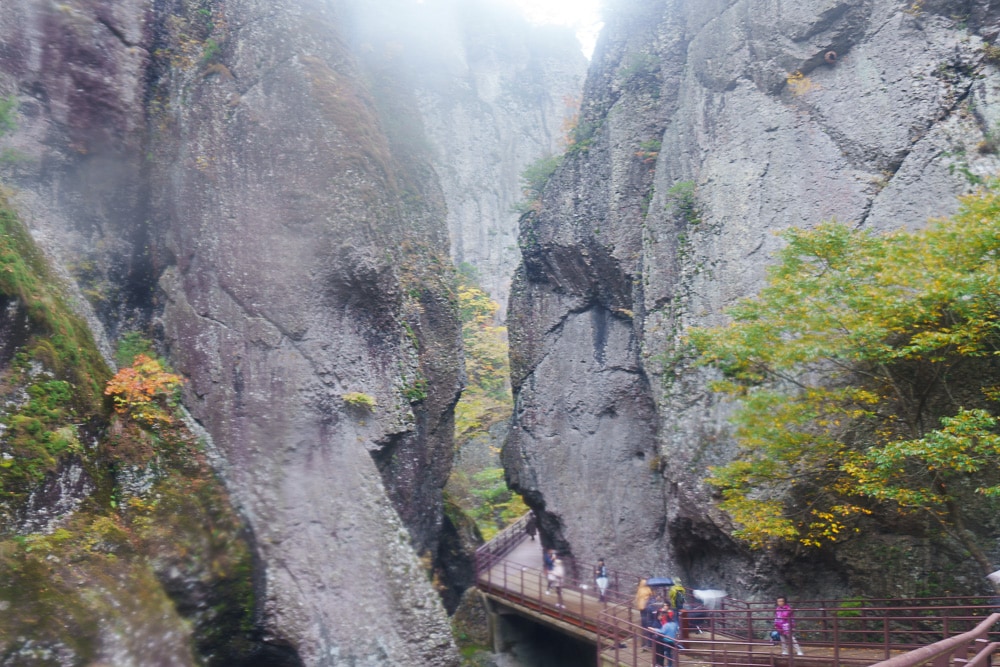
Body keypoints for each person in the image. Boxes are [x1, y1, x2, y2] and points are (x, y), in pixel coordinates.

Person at [634, 579, 654, 648]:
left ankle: (644, 641)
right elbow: (651, 595)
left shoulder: (639, 589)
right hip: (645, 606)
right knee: (646, 620)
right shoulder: (647, 589)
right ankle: (648, 642)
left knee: (643, 619)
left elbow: (637, 598)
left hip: (641, 606)